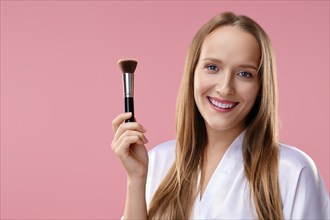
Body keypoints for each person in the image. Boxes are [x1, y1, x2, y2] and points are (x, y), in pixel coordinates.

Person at [111, 12, 329, 219]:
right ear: (192, 74)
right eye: (213, 67)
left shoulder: (292, 170)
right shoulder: (158, 161)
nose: (225, 88)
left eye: (244, 74)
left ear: (261, 86)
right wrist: (136, 179)